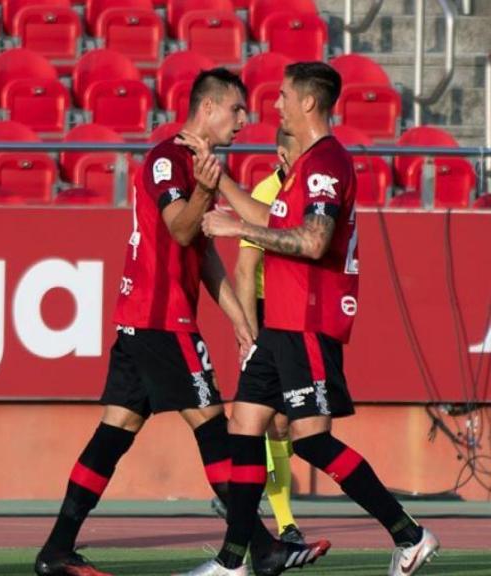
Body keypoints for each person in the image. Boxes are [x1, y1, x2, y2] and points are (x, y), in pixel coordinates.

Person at [33, 68, 320, 576]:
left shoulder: (195, 165)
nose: (242, 120)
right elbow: (180, 228)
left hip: (144, 320)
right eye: (235, 110)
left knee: (113, 434)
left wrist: (237, 318)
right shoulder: (169, 159)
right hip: (161, 321)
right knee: (215, 429)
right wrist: (208, 189)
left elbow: (203, 252)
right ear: (206, 109)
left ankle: (57, 548)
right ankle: (260, 546)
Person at [178, 61, 439, 576]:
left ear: (307, 103)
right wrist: (218, 174)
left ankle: (410, 534)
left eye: (281, 96)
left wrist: (235, 233)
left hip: (308, 320)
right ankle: (234, 562)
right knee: (245, 426)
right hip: (281, 322)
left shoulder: (326, 163)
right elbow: (270, 217)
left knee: (313, 440)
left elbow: (314, 241)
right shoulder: (305, 166)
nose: (272, 105)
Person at [232, 129, 306, 545]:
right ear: (281, 154)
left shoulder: (314, 191)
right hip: (265, 311)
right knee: (269, 420)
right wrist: (247, 331)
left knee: (290, 423)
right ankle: (285, 523)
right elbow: (245, 269)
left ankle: (267, 512)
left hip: (296, 313)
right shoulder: (264, 193)